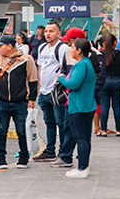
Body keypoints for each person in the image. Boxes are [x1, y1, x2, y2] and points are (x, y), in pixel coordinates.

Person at [0, 35, 38, 169]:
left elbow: (33, 81)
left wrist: (31, 100)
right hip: (1, 102)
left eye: (0, 45)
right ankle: (0, 159)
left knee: (22, 131)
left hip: (21, 102)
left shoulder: (26, 59)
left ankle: (23, 157)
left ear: (9, 46)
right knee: (1, 131)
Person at [57, 38, 97, 178]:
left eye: (73, 47)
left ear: (79, 50)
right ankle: (83, 166)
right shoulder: (87, 63)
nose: (71, 50)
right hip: (86, 105)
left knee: (80, 138)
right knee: (85, 138)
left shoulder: (81, 65)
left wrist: (61, 78)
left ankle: (82, 168)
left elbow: (73, 84)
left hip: (79, 106)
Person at [33, 21, 69, 164]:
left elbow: (63, 68)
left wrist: (57, 86)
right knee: (49, 122)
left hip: (56, 92)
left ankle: (63, 151)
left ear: (59, 34)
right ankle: (49, 150)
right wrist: (41, 87)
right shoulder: (42, 47)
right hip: (44, 92)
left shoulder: (62, 48)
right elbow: (41, 67)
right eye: (46, 31)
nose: (47, 33)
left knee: (61, 122)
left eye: (51, 31)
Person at [98, 34, 120, 137]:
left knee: (104, 106)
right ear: (114, 43)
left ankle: (103, 130)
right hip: (118, 81)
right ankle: (119, 130)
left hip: (104, 82)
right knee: (117, 106)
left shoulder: (100, 54)